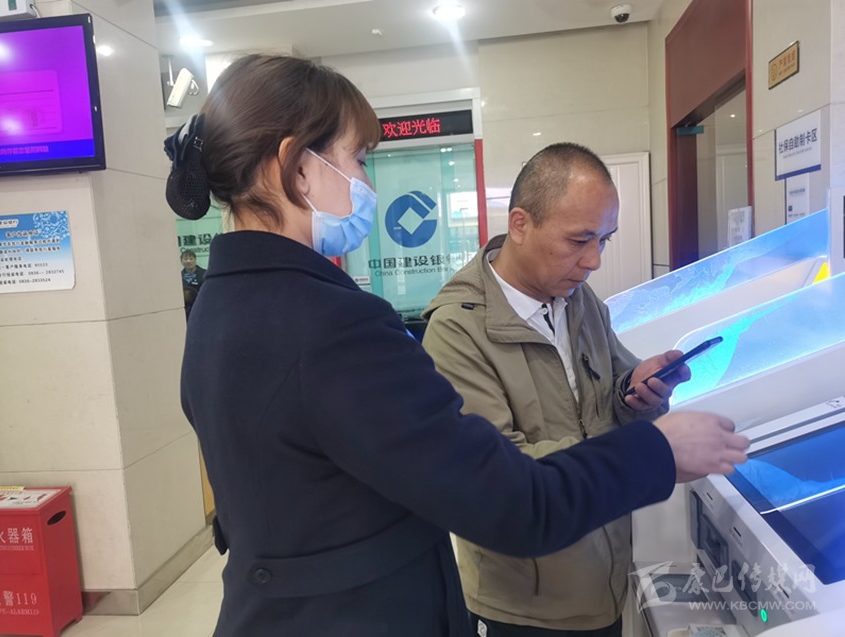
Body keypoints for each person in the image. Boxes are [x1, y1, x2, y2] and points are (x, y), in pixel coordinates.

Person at [163, 54, 748, 637]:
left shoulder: (219, 306)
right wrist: (657, 452)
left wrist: (630, 398)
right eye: (358, 159)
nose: (367, 185)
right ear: (297, 167)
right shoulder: (336, 326)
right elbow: (510, 500)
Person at [422, 142, 688, 637]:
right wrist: (649, 454)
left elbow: (607, 396)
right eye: (579, 240)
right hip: (523, 606)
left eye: (604, 240)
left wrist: (636, 393)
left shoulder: (580, 301)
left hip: (603, 581)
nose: (594, 260)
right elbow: (499, 475)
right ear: (520, 224)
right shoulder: (458, 330)